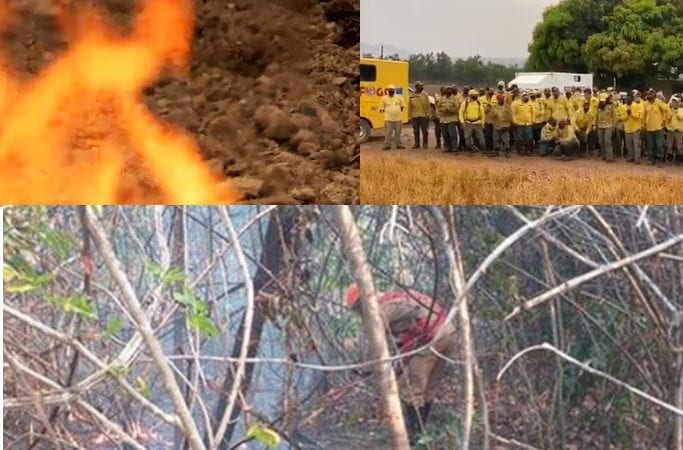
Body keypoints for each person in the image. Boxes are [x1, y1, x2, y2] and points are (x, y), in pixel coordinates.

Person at [345, 283, 456, 444]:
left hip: (433, 338)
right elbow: (406, 334)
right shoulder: (396, 298)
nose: (359, 313)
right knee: (428, 387)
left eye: (357, 308)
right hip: (447, 332)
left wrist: (367, 368)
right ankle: (420, 433)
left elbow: (377, 345)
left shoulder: (381, 310)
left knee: (410, 388)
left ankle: (415, 437)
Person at [644, 89, 670, 166]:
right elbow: (644, 115)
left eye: (650, 94)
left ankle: (659, 159)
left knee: (659, 144)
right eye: (648, 94)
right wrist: (643, 124)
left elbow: (667, 110)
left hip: (658, 128)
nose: (648, 96)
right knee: (650, 145)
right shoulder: (645, 104)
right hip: (649, 128)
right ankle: (651, 159)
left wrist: (665, 121)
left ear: (654, 95)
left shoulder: (659, 102)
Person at [459, 89, 486, 153]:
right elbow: (461, 113)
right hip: (468, 123)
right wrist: (462, 122)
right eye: (474, 95)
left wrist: (483, 122)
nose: (476, 96)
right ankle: (470, 150)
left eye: (476, 95)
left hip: (478, 123)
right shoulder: (465, 103)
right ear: (470, 95)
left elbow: (482, 113)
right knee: (467, 138)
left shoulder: (479, 102)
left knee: (481, 138)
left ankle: (482, 150)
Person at [380, 84, 405, 150]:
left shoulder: (399, 97)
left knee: (398, 133)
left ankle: (399, 145)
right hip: (388, 119)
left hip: (398, 119)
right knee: (388, 133)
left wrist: (397, 112)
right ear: (388, 91)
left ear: (394, 91)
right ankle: (387, 145)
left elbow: (402, 106)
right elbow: (382, 107)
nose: (391, 91)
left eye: (392, 90)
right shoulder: (384, 98)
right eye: (390, 90)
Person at [620, 95, 644, 163]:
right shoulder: (623, 107)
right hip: (627, 128)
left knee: (636, 145)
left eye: (629, 99)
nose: (627, 100)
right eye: (626, 99)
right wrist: (627, 114)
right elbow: (622, 118)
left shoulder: (637, 106)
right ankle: (630, 157)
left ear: (632, 99)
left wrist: (631, 113)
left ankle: (637, 159)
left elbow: (638, 116)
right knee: (628, 145)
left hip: (636, 128)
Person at [437, 86, 460, 153]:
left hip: (451, 119)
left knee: (452, 134)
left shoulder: (454, 98)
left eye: (450, 90)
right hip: (443, 119)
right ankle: (447, 147)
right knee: (445, 134)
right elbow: (438, 107)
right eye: (447, 90)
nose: (448, 92)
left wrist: (450, 110)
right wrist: (443, 110)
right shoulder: (441, 98)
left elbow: (457, 108)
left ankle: (454, 148)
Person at [596, 93, 617, 162]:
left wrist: (614, 126)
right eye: (601, 101)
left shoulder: (611, 106)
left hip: (609, 125)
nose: (603, 102)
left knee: (607, 141)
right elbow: (596, 116)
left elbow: (614, 116)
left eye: (604, 100)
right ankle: (603, 155)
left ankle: (609, 157)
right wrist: (595, 125)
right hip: (600, 125)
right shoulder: (598, 107)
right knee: (601, 141)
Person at [409, 81, 430, 149]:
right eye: (420, 86)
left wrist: (428, 114)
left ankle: (425, 143)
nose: (422, 87)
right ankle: (417, 144)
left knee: (424, 131)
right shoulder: (411, 95)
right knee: (416, 131)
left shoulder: (425, 95)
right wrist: (409, 116)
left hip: (423, 115)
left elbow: (428, 105)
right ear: (417, 87)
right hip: (414, 116)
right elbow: (410, 106)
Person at [666, 96, 683, 162]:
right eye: (673, 102)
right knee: (669, 145)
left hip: (678, 131)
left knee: (679, 146)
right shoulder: (669, 110)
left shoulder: (681, 110)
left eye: (676, 102)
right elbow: (668, 118)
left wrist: (676, 110)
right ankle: (670, 158)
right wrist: (670, 109)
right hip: (670, 130)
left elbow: (680, 117)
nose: (674, 103)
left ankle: (679, 158)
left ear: (678, 103)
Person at [483, 89, 496, 154]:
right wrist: (489, 104)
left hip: (494, 121)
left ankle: (493, 148)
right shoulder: (483, 100)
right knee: (487, 135)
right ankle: (487, 149)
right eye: (490, 93)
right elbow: (485, 110)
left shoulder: (495, 99)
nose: (491, 94)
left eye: (492, 93)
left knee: (493, 136)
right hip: (487, 121)